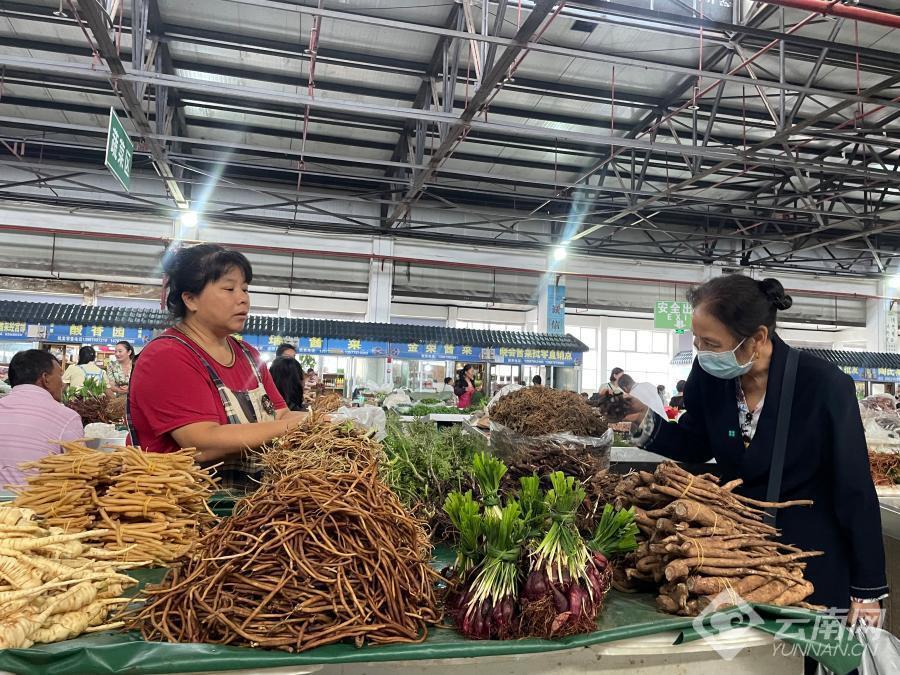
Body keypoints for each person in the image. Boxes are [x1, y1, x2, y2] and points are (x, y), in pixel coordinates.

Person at [624, 276, 886, 643]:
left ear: (758, 338)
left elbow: (854, 487)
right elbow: (698, 443)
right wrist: (646, 423)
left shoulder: (824, 386)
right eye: (698, 341)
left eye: (711, 343)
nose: (701, 351)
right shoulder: (709, 375)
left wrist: (868, 588)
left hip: (809, 562)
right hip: (731, 554)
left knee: (804, 659)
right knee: (737, 657)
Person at [127, 244, 306, 490]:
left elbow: (281, 414)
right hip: (184, 514)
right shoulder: (167, 356)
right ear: (190, 299)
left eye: (245, 288)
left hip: (248, 510)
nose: (242, 298)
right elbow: (201, 442)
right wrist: (289, 426)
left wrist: (321, 422)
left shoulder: (248, 355)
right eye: (229, 288)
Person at [0, 350, 84, 487]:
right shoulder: (66, 417)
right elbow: (81, 472)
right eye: (60, 377)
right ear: (45, 378)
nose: (63, 384)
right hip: (39, 505)